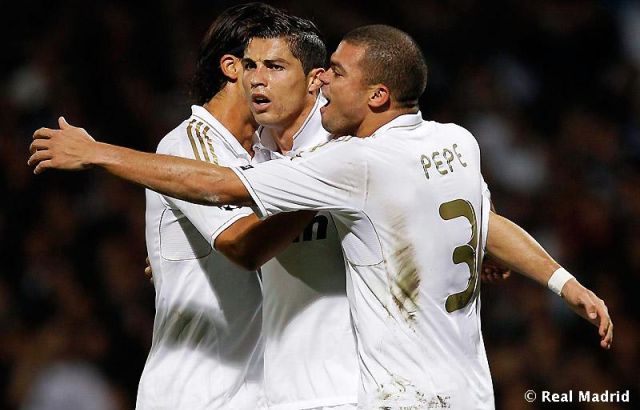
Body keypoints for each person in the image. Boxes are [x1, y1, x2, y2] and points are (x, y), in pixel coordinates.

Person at [29, 25, 613, 409]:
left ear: (375, 95)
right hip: (465, 388)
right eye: (250, 66)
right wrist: (565, 282)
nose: (325, 79)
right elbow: (483, 223)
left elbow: (221, 192)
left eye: (333, 71)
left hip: (382, 394)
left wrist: (98, 153)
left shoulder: (346, 160)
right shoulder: (457, 141)